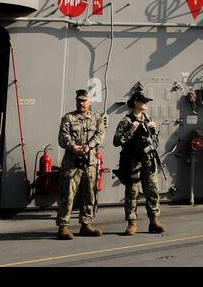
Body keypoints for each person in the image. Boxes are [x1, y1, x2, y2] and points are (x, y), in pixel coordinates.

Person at [113, 90, 167, 236]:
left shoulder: (147, 119)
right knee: (132, 192)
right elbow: (116, 141)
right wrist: (131, 130)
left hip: (148, 160)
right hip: (133, 162)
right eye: (142, 101)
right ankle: (132, 223)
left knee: (152, 190)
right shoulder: (126, 121)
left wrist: (154, 131)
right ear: (135, 102)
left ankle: (154, 221)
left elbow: (154, 141)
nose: (145, 104)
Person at [55, 89, 105, 240]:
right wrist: (72, 146)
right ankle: (63, 227)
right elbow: (62, 137)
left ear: (89, 102)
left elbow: (100, 135)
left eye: (84, 100)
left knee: (89, 193)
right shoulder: (68, 118)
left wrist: (89, 146)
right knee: (67, 194)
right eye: (79, 100)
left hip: (90, 162)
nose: (81, 103)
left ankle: (86, 224)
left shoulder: (97, 118)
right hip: (72, 162)